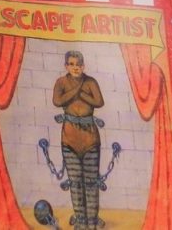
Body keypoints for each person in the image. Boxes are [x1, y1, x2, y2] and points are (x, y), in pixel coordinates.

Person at [52, 51, 104, 230]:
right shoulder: (61, 82)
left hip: (90, 138)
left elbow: (99, 102)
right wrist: (76, 89)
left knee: (91, 182)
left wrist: (81, 94)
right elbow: (57, 101)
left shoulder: (90, 82)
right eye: (72, 64)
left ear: (83, 66)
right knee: (75, 182)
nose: (76, 67)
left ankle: (92, 220)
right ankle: (81, 221)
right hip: (69, 139)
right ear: (66, 65)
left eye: (79, 64)